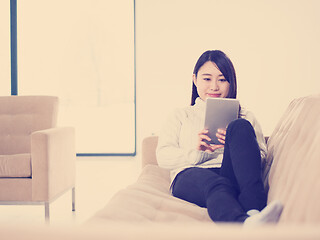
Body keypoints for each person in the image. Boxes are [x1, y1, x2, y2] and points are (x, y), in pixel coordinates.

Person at [156, 50, 283, 225]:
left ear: (231, 82)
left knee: (239, 126)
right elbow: (163, 156)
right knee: (217, 185)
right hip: (191, 175)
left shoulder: (245, 116)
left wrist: (234, 147)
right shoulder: (180, 115)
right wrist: (197, 152)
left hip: (230, 174)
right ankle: (243, 224)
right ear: (195, 80)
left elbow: (261, 157)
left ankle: (254, 212)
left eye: (222, 79)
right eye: (207, 79)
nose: (214, 86)